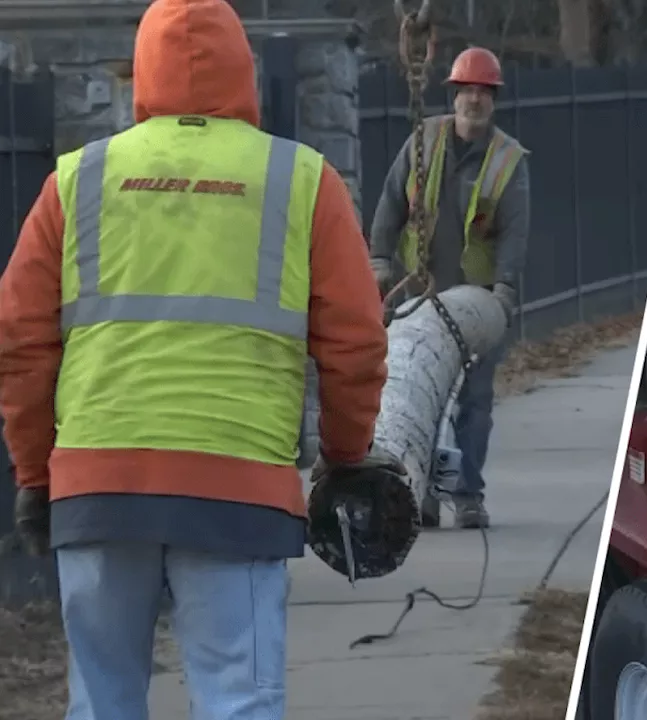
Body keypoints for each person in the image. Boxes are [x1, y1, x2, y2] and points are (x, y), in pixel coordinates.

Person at [0, 0, 390, 717]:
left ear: (140, 73)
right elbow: (356, 340)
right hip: (236, 488)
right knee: (237, 700)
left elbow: (20, 339)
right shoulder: (301, 180)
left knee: (102, 701)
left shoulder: (78, 181)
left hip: (99, 483)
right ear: (246, 72)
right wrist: (344, 455)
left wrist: (35, 473)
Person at [369, 46, 531, 530]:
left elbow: (515, 232)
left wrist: (504, 288)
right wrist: (379, 260)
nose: (474, 100)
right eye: (467, 91)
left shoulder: (508, 161)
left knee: (473, 403)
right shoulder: (425, 141)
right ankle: (426, 497)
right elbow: (391, 201)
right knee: (426, 398)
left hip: (477, 300)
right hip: (423, 293)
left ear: (493, 99)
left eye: (483, 92)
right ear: (455, 94)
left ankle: (467, 495)